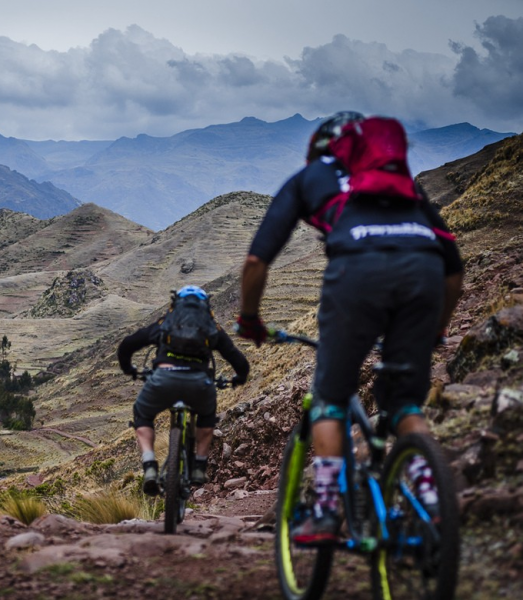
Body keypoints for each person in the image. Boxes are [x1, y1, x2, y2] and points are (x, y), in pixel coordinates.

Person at [236, 111, 464, 544]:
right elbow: (453, 271)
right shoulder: (402, 188)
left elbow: (255, 260)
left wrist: (250, 319)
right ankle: (433, 499)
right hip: (424, 276)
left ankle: (325, 511)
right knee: (404, 405)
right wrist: (436, 330)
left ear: (320, 149)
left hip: (357, 277)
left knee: (330, 399)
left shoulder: (309, 178)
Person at [118, 285, 250, 495]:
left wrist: (130, 369)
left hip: (163, 381)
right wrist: (238, 379)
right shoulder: (211, 327)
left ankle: (150, 466)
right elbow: (239, 361)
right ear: (205, 305)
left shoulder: (166, 323)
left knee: (142, 414)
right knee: (206, 417)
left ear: (176, 303)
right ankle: (198, 466)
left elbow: (128, 344)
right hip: (199, 385)